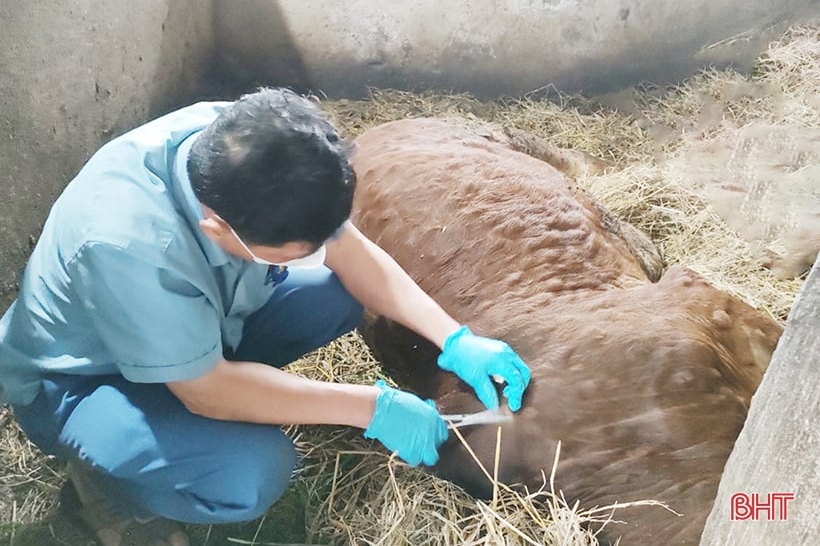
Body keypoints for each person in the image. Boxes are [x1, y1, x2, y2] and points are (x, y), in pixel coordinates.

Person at [0, 88, 531, 546]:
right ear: (217, 229)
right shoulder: (127, 244)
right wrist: (371, 407)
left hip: (190, 329)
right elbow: (205, 391)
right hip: (84, 381)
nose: (315, 253)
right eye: (291, 251)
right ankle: (110, 486)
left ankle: (181, 421)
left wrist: (454, 338)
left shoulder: (248, 144)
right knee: (250, 474)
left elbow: (350, 252)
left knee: (339, 291)